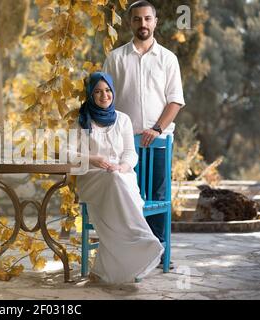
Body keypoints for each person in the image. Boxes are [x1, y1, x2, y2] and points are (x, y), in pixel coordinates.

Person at [103, 0, 185, 268]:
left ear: (155, 21)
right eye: (137, 19)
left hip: (158, 142)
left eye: (147, 19)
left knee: (158, 198)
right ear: (130, 23)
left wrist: (156, 128)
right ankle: (131, 255)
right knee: (126, 199)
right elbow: (104, 100)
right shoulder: (115, 58)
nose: (143, 24)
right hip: (124, 145)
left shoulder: (168, 59)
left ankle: (160, 253)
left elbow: (175, 101)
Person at [75, 71, 164, 284]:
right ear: (90, 94)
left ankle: (107, 268)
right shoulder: (81, 119)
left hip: (122, 175)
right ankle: (142, 240)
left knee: (116, 178)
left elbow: (130, 153)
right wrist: (94, 159)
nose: (104, 95)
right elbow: (71, 154)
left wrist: (123, 167)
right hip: (92, 177)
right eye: (97, 91)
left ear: (113, 92)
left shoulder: (123, 119)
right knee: (112, 180)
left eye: (107, 90)